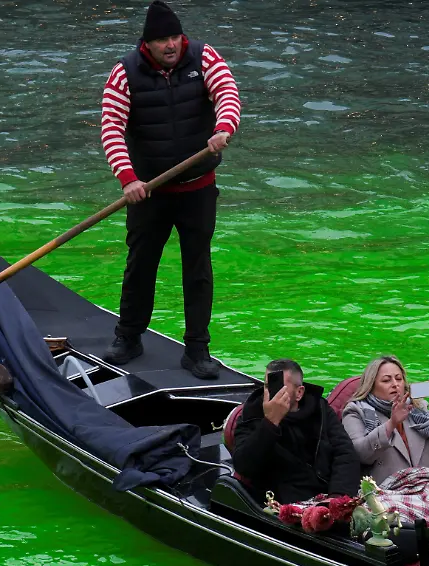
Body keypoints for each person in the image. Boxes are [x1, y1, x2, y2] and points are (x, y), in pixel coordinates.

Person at [99, 0, 242, 380]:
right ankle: (129, 337)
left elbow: (227, 93)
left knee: (198, 269)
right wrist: (128, 179)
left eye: (175, 37)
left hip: (198, 189)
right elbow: (111, 127)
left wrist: (223, 127)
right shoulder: (124, 73)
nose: (171, 45)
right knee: (140, 265)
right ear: (147, 43)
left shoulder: (204, 57)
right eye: (163, 40)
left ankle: (197, 349)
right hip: (149, 192)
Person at [233, 359, 362, 505]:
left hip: (328, 493)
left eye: (279, 387)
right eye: (268, 386)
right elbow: (243, 466)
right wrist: (270, 423)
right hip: (283, 503)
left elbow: (344, 452)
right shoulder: (252, 414)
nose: (272, 393)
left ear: (299, 393)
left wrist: (338, 497)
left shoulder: (320, 409)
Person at [340, 355, 429, 481]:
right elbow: (361, 455)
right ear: (370, 386)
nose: (395, 384)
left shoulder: (418, 407)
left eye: (399, 379)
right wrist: (392, 423)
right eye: (386, 380)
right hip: (391, 489)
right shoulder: (355, 411)